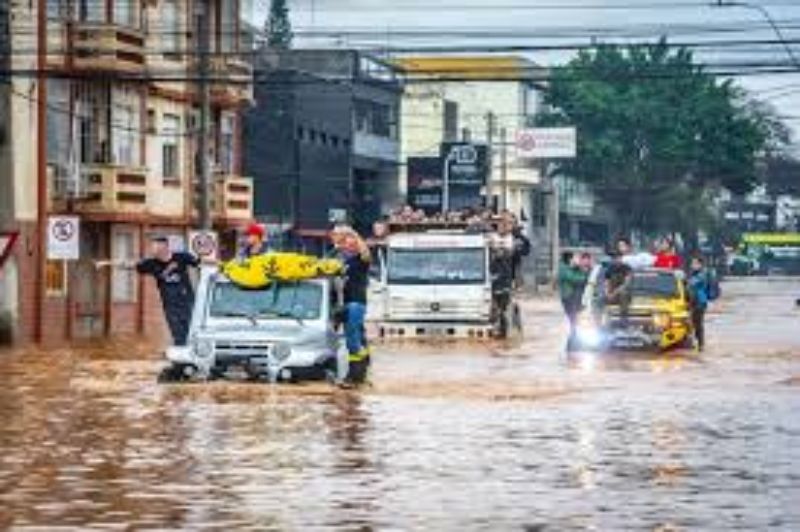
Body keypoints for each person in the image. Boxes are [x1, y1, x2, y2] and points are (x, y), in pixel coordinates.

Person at [97, 236, 200, 346]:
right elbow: (129, 264)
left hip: (187, 302)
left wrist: (213, 261)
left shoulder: (182, 257)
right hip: (170, 305)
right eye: (152, 247)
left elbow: (201, 263)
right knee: (178, 335)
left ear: (165, 247)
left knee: (193, 331)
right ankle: (181, 351)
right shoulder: (151, 263)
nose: (152, 249)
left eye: (155, 246)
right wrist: (107, 263)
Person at [332, 227, 372, 387]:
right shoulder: (347, 261)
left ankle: (355, 376)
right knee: (359, 337)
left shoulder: (362, 260)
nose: (347, 246)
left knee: (352, 340)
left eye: (350, 244)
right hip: (349, 303)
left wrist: (351, 234)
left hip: (356, 303)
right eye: (345, 243)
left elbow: (364, 250)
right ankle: (363, 371)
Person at [558, 251, 588, 339]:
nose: (576, 260)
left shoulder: (572, 268)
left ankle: (575, 333)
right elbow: (574, 279)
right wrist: (584, 275)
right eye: (574, 258)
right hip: (568, 296)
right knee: (572, 316)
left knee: (575, 316)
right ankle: (574, 334)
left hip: (573, 296)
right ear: (569, 259)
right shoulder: (564, 269)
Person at [687, 256, 711, 351]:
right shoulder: (695, 273)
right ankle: (695, 342)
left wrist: (684, 280)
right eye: (692, 263)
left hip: (699, 302)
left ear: (700, 265)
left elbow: (692, 283)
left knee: (697, 323)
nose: (692, 265)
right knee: (693, 322)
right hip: (694, 301)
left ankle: (701, 344)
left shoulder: (702, 274)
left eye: (695, 263)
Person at [604, 250, 634, 324]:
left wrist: (614, 293)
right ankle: (597, 320)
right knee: (598, 299)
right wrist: (607, 293)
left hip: (623, 295)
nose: (616, 260)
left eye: (618, 257)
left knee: (624, 294)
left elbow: (626, 284)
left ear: (621, 258)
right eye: (614, 258)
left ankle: (623, 319)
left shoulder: (627, 268)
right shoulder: (609, 269)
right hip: (612, 294)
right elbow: (606, 282)